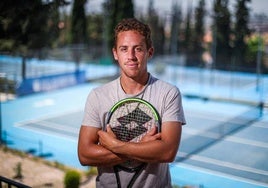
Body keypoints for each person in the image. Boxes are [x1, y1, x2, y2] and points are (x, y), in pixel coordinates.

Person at [78, 18, 186, 188]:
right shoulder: (98, 96)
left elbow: (167, 152)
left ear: (149, 52)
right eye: (124, 49)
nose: (131, 56)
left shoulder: (168, 93)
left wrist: (115, 145)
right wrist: (142, 147)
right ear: (115, 53)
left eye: (138, 49)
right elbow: (85, 155)